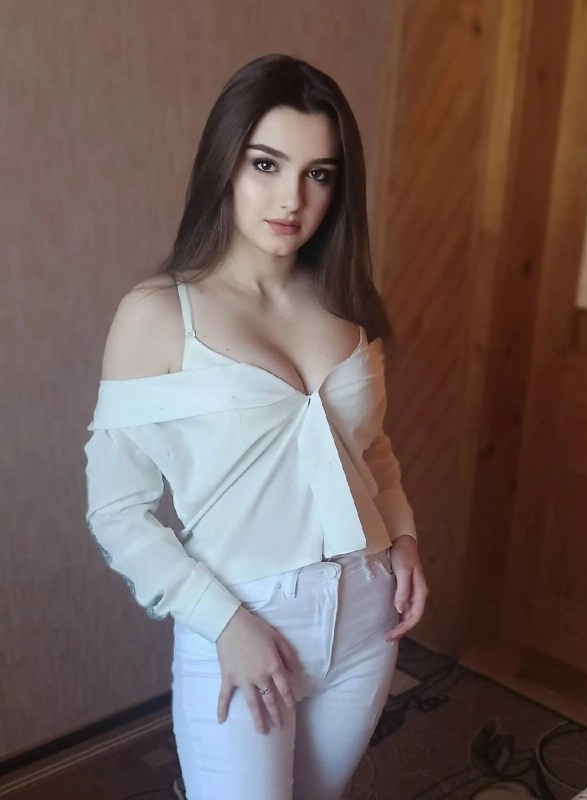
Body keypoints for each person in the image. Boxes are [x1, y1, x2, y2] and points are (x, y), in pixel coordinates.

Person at [83, 53, 429, 800]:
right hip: (244, 623)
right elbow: (116, 511)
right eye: (266, 164)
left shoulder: (346, 305)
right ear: (225, 164)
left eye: (318, 173)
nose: (291, 198)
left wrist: (403, 536)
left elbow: (369, 450)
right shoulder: (156, 316)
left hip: (367, 618)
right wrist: (223, 622)